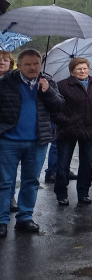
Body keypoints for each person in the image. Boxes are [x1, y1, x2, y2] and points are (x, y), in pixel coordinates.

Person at [0, 49, 64, 237]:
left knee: (31, 181)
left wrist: (48, 91)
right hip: (8, 142)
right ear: (18, 66)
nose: (32, 67)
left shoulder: (48, 82)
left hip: (38, 141)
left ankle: (25, 217)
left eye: (36, 64)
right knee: (4, 182)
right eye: (27, 64)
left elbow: (60, 106)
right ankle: (2, 220)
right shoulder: (5, 82)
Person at [52, 57, 92, 206]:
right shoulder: (62, 85)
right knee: (63, 164)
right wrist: (66, 121)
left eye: (85, 68)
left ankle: (83, 193)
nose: (83, 71)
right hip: (67, 130)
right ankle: (61, 194)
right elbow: (55, 109)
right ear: (72, 71)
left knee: (86, 164)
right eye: (79, 69)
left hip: (89, 130)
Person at [0, 51, 18, 214]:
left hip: (8, 132)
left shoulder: (15, 80)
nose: (2, 62)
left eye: (6, 60)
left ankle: (10, 197)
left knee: (8, 170)